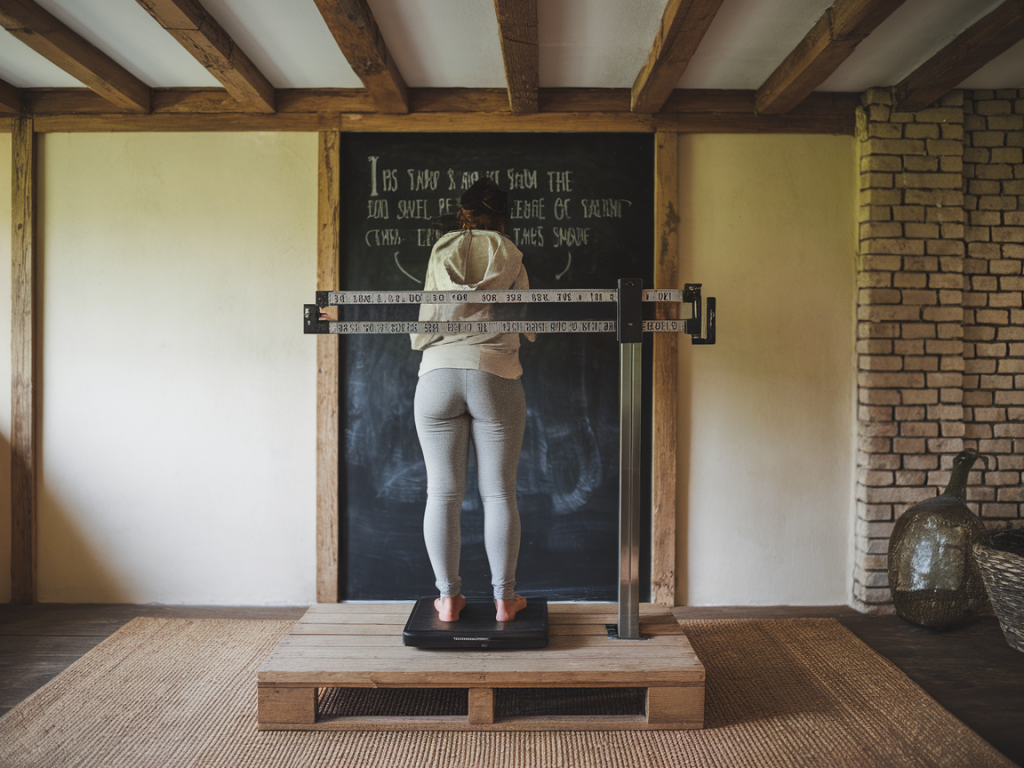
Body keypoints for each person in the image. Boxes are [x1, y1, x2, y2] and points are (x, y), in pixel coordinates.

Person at [410, 177, 535, 623]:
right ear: (503, 215)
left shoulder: (441, 249)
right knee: (499, 493)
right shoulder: (511, 253)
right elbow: (529, 323)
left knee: (441, 493)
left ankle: (447, 600)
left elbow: (426, 315)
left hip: (438, 373)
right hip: (494, 372)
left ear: (461, 214)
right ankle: (504, 601)